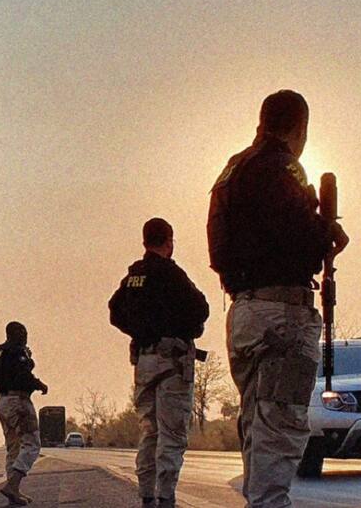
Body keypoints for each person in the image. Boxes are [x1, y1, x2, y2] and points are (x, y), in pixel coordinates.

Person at [207, 90, 349, 508]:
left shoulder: (232, 169)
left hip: (244, 311)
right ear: (299, 128)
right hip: (281, 313)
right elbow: (299, 237)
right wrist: (326, 231)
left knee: (257, 429)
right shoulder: (282, 168)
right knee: (279, 431)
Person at [108, 218, 210, 508]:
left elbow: (115, 312)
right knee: (172, 433)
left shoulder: (133, 277)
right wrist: (181, 328)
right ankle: (166, 497)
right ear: (169, 241)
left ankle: (146, 496)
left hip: (144, 360)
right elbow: (201, 308)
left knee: (149, 432)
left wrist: (140, 331)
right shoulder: (171, 273)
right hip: (172, 361)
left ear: (144, 241)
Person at [0, 321, 48, 506]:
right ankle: (13, 485)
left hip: (2, 401)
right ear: (18, 333)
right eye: (23, 332)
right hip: (19, 402)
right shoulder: (17, 351)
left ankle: (13, 493)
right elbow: (22, 375)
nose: (26, 336)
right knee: (32, 443)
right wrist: (39, 384)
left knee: (13, 447)